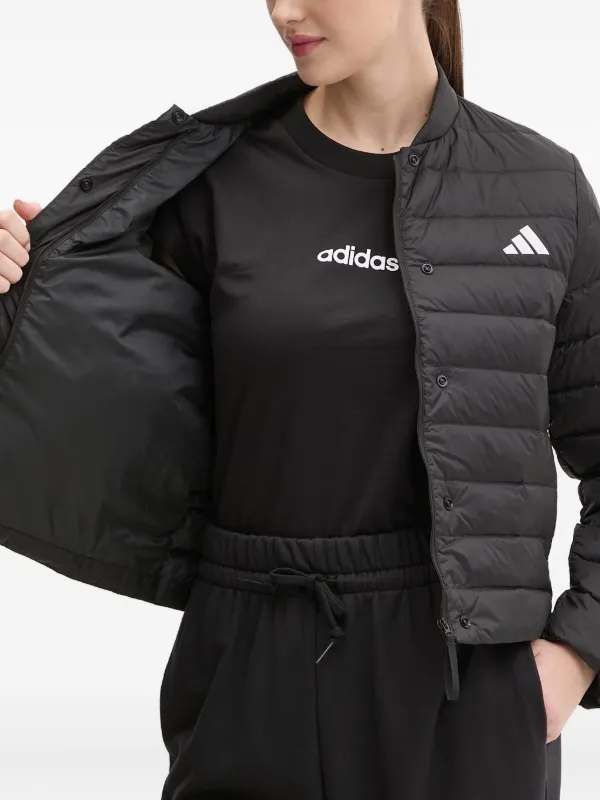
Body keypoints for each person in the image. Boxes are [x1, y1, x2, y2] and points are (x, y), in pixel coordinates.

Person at [1, 1, 599, 798]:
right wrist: (16, 301)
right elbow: (88, 406)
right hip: (251, 659)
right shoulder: (212, 181)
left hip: (465, 684)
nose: (285, 10)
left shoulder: (541, 190)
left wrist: (576, 653)